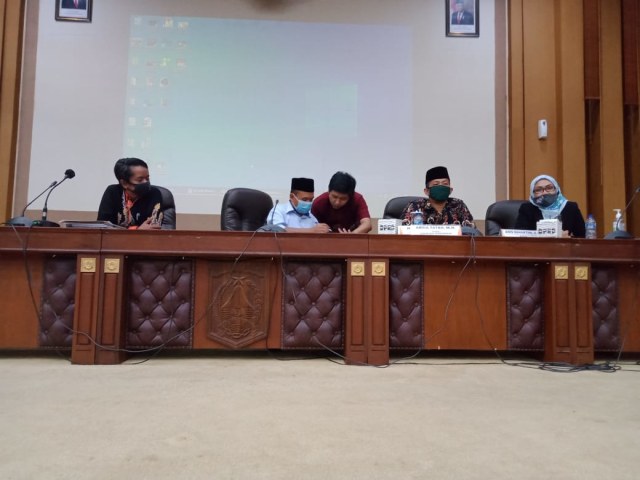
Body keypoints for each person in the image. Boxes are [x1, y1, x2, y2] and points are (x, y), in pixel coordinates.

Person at [97, 157, 166, 230]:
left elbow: (153, 227)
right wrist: (137, 230)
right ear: (124, 183)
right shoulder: (112, 192)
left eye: (147, 178)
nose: (146, 182)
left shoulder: (154, 193)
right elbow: (104, 228)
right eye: (140, 179)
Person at [400, 166, 475, 226]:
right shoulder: (415, 206)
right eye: (436, 184)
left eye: (445, 184)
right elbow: (402, 233)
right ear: (426, 191)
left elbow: (472, 233)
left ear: (450, 190)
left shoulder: (458, 205)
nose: (441, 187)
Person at [515, 174, 586, 238]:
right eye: (538, 190)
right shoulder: (527, 208)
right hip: (535, 250)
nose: (545, 193)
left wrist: (568, 238)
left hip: (564, 249)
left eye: (549, 188)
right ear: (533, 194)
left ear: (556, 189)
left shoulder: (570, 207)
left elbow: (582, 236)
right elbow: (519, 235)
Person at [266, 177, 331, 233]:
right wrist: (311, 230)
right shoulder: (279, 210)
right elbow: (276, 230)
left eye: (311, 200)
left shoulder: (312, 218)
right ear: (292, 197)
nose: (308, 203)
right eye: (304, 200)